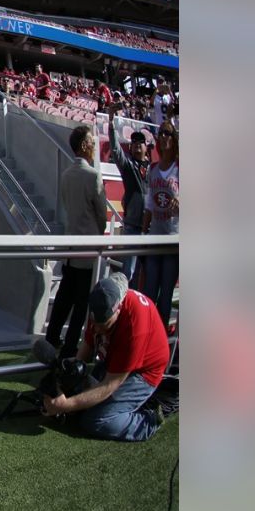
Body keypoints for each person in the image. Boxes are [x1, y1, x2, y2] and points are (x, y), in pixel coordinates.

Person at [42, 274, 169, 442]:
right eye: (95, 324)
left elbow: (110, 385)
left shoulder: (135, 325)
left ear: (119, 308)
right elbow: (87, 345)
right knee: (80, 398)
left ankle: (148, 420)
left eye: (105, 325)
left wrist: (65, 406)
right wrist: (71, 377)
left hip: (144, 373)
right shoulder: (100, 303)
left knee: (95, 420)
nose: (98, 329)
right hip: (113, 360)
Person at [45, 126, 109, 357]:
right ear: (84, 145)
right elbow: (102, 215)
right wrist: (97, 232)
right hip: (88, 249)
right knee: (81, 303)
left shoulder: (66, 175)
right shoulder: (92, 176)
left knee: (64, 297)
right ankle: (71, 348)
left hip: (71, 248)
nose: (95, 146)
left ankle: (52, 340)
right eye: (92, 142)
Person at [140, 122, 179, 327]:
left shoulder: (181, 168)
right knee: (149, 291)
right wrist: (143, 231)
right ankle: (146, 334)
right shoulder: (153, 168)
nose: (163, 136)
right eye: (160, 133)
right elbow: (148, 202)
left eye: (167, 133)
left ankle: (160, 341)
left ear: (174, 139)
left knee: (165, 295)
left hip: (173, 239)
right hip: (154, 236)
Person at [108, 109, 149, 281]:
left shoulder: (153, 168)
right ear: (130, 146)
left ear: (147, 146)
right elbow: (116, 151)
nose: (137, 144)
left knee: (145, 274)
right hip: (133, 226)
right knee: (129, 272)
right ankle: (125, 304)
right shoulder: (128, 166)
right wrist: (111, 124)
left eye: (141, 141)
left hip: (150, 228)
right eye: (134, 142)